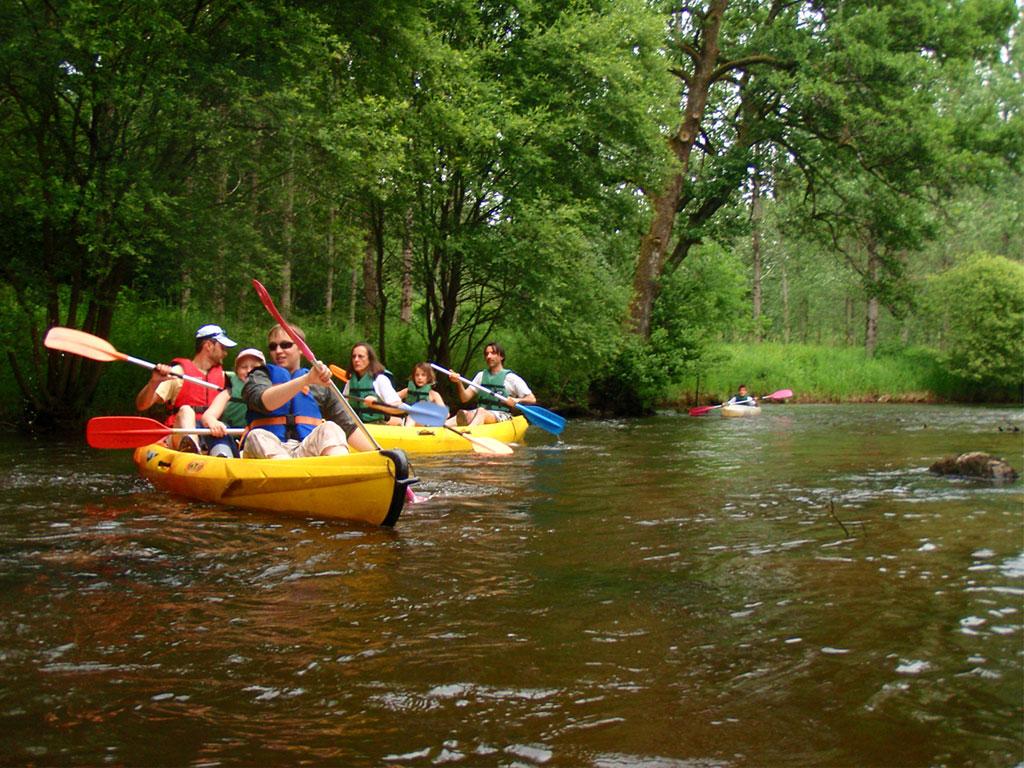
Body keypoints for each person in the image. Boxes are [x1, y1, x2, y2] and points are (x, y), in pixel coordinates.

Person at [241, 324, 374, 458]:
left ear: (300, 348)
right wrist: (305, 380)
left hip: (304, 451)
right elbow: (266, 402)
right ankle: (287, 473)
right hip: (271, 451)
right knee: (256, 435)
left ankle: (339, 472)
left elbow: (348, 427)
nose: (278, 351)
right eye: (273, 347)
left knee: (331, 428)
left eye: (285, 345)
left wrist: (381, 454)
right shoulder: (259, 377)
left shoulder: (319, 385)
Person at [135, 323, 238, 455]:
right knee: (186, 410)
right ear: (208, 345)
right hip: (179, 435)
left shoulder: (224, 378)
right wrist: (154, 382)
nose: (225, 353)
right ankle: (192, 449)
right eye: (222, 347)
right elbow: (142, 405)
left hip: (210, 435)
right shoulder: (178, 373)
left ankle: (210, 454)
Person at [446, 341, 535, 426]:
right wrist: (458, 382)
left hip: (503, 415)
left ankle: (469, 433)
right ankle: (438, 428)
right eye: (486, 354)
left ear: (501, 356)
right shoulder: (480, 376)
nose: (489, 356)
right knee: (464, 414)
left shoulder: (512, 378)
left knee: (481, 411)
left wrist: (517, 400)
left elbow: (532, 399)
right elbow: (464, 398)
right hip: (480, 413)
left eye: (493, 353)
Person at [198, 347, 266, 457]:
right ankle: (223, 456)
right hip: (232, 440)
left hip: (258, 440)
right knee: (220, 432)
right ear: (237, 371)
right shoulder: (228, 393)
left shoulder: (270, 392)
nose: (249, 370)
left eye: (254, 367)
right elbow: (208, 416)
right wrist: (214, 423)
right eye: (244, 367)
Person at [343, 342, 404, 426]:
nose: (356, 360)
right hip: (354, 427)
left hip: (376, 426)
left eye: (360, 356)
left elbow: (399, 408)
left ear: (369, 359)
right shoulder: (350, 382)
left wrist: (377, 405)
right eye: (354, 357)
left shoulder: (380, 380)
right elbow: (343, 407)